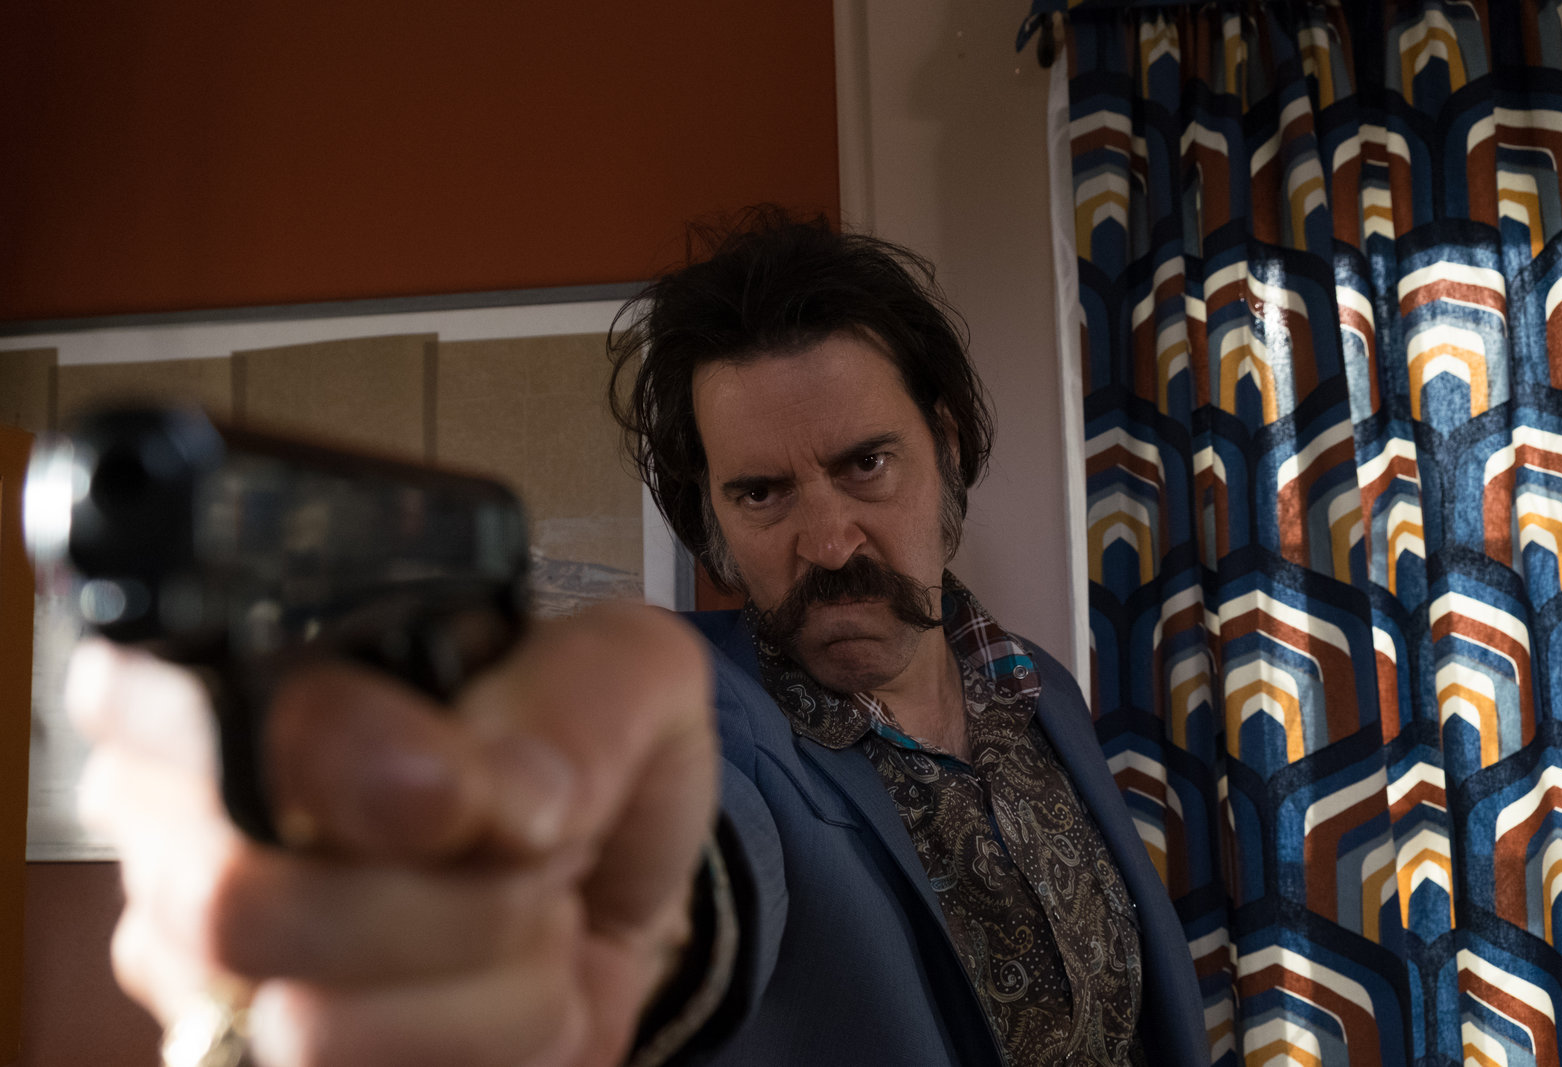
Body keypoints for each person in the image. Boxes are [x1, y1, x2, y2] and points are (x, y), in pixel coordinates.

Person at [69, 211, 1208, 1067]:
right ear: (710, 518)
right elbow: (683, 851)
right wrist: (523, 906)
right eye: (761, 492)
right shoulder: (713, 716)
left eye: (865, 463)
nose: (826, 540)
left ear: (944, 448)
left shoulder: (1036, 687)